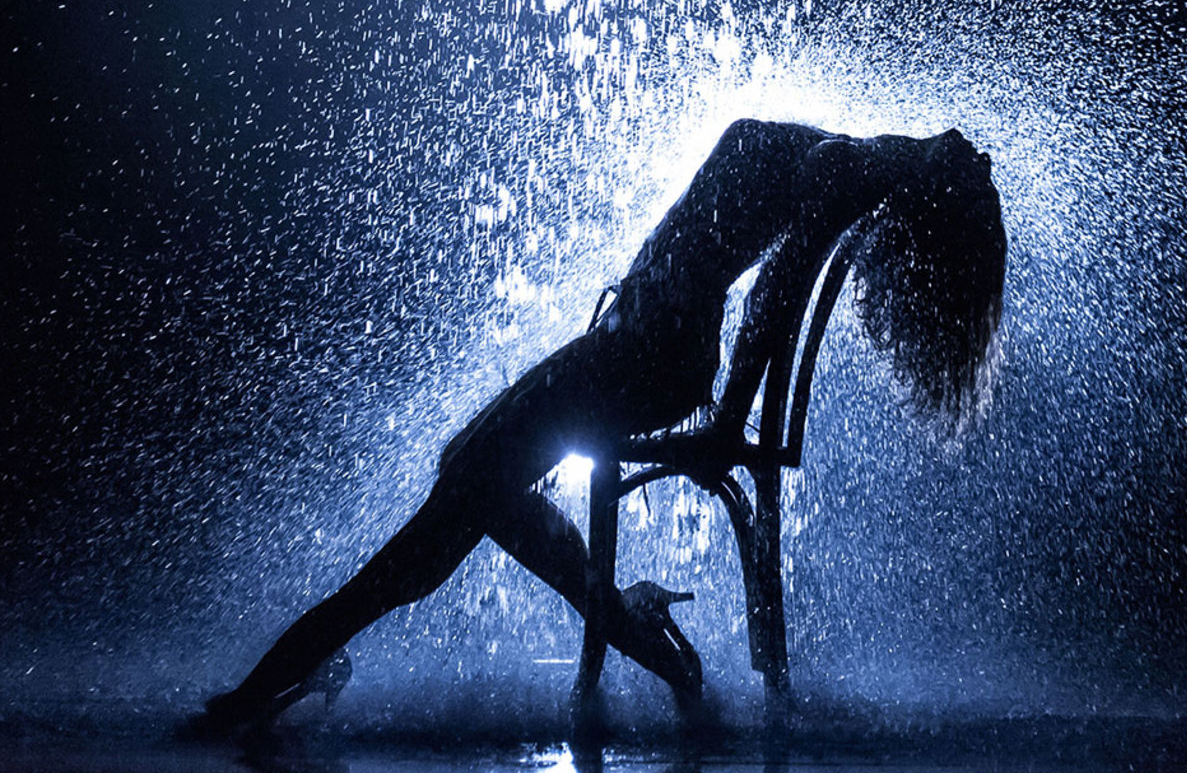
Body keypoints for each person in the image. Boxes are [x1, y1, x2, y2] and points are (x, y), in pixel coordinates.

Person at [198, 119, 1006, 733]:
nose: (966, 147)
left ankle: (277, 682)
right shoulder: (855, 162)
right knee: (470, 478)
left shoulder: (846, 168)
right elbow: (770, 289)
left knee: (465, 488)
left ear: (935, 194)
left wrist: (725, 426)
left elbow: (773, 299)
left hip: (645, 360)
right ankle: (634, 630)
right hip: (634, 349)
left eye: (964, 165)